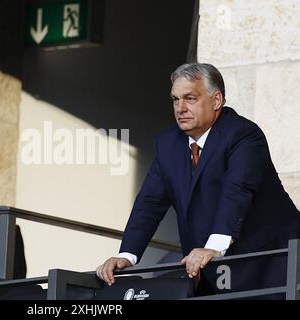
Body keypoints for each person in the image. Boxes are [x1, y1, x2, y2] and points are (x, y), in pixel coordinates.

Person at [96, 63, 300, 296]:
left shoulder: (243, 134)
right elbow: (150, 202)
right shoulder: (168, 143)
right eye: (175, 100)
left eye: (190, 98)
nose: (180, 108)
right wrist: (127, 256)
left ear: (216, 101)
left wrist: (212, 248)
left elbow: (237, 191)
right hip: (215, 270)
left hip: (272, 261)